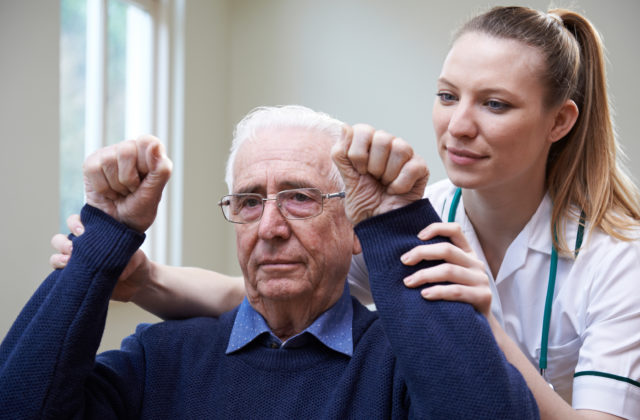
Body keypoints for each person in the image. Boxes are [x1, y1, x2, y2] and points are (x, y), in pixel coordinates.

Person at [49, 5, 640, 419]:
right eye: (446, 95)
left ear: (560, 121)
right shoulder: (415, 215)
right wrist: (138, 277)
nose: (458, 126)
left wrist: (475, 321)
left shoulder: (620, 258)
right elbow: (264, 288)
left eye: (495, 103)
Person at [0, 106, 538, 418]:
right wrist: (106, 233)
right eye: (250, 201)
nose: (270, 228)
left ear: (355, 228)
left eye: (301, 198)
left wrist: (395, 225)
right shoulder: (160, 358)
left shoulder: (404, 364)